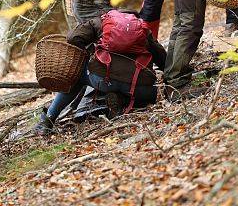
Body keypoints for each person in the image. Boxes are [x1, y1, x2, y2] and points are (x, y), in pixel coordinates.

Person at [34, 10, 166, 136]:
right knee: (147, 93)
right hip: (137, 85)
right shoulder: (143, 28)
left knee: (77, 76)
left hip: (103, 80)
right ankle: (123, 99)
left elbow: (72, 38)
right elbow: (162, 58)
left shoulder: (102, 21)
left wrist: (92, 51)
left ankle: (47, 120)